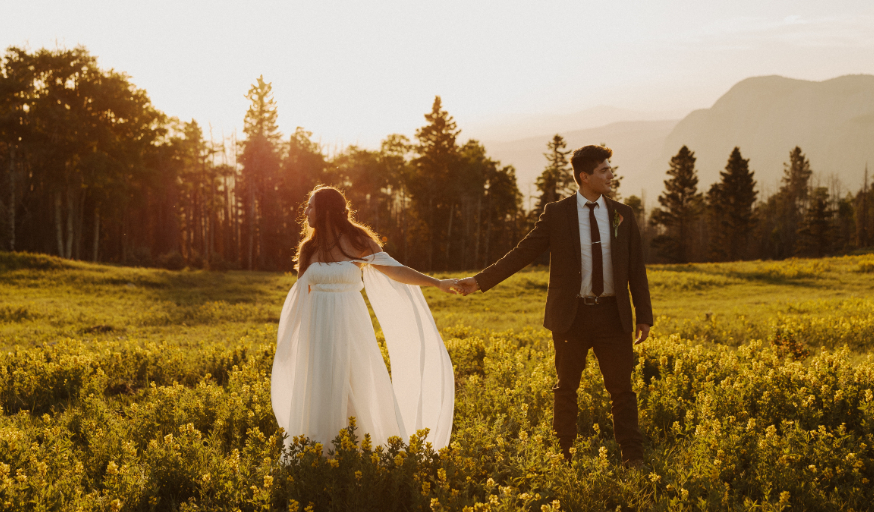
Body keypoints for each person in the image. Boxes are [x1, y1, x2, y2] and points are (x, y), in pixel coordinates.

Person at [455, 145, 653, 466]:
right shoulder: (557, 214)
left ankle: (633, 456)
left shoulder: (622, 215)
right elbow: (522, 253)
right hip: (570, 316)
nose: (610, 175)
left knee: (622, 390)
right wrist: (480, 281)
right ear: (584, 176)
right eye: (604, 170)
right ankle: (564, 454)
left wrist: (643, 316)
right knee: (565, 389)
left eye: (609, 169)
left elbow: (636, 269)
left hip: (613, 316)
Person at [271, 186, 458, 453]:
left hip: (351, 326)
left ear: (325, 210)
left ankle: (360, 449)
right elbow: (301, 294)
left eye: (310, 206)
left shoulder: (358, 241)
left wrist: (437, 283)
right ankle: (320, 451)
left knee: (356, 383)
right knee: (321, 386)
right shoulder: (308, 249)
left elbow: (397, 271)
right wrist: (291, 339)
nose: (305, 211)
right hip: (318, 329)